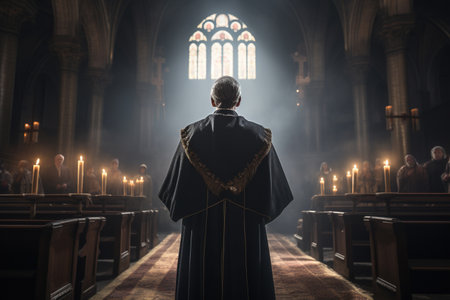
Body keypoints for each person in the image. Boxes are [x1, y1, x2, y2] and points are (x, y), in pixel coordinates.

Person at [159, 76, 293, 300]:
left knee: (201, 278)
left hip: (203, 223)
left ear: (212, 100)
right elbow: (272, 189)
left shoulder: (191, 136)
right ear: (239, 101)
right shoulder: (259, 136)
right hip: (244, 222)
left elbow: (177, 187)